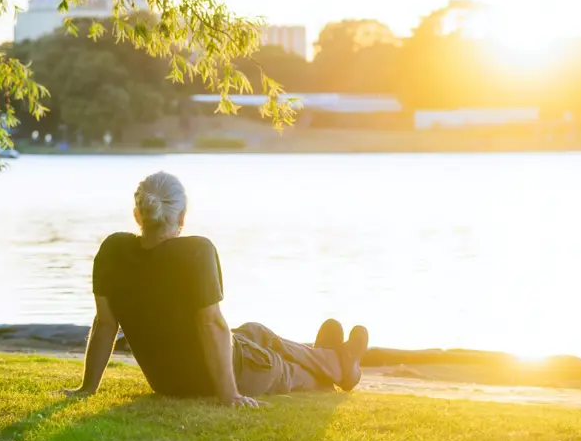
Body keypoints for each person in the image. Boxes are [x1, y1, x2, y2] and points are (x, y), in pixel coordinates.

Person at [65, 171, 369, 407]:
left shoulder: (113, 250)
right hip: (216, 378)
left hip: (166, 381)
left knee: (256, 331)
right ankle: (341, 367)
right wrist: (229, 395)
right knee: (282, 369)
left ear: (137, 215)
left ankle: (328, 355)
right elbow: (210, 323)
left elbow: (105, 323)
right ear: (181, 218)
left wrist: (87, 387)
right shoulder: (196, 251)